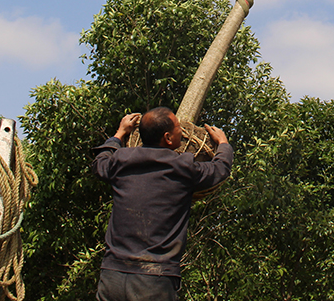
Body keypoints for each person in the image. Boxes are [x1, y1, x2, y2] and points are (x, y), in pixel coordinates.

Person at [92, 106, 232, 301]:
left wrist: (119, 133)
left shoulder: (121, 160)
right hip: (153, 281)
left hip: (112, 276)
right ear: (167, 138)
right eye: (178, 128)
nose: (181, 131)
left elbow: (100, 162)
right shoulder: (183, 166)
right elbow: (219, 169)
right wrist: (223, 143)